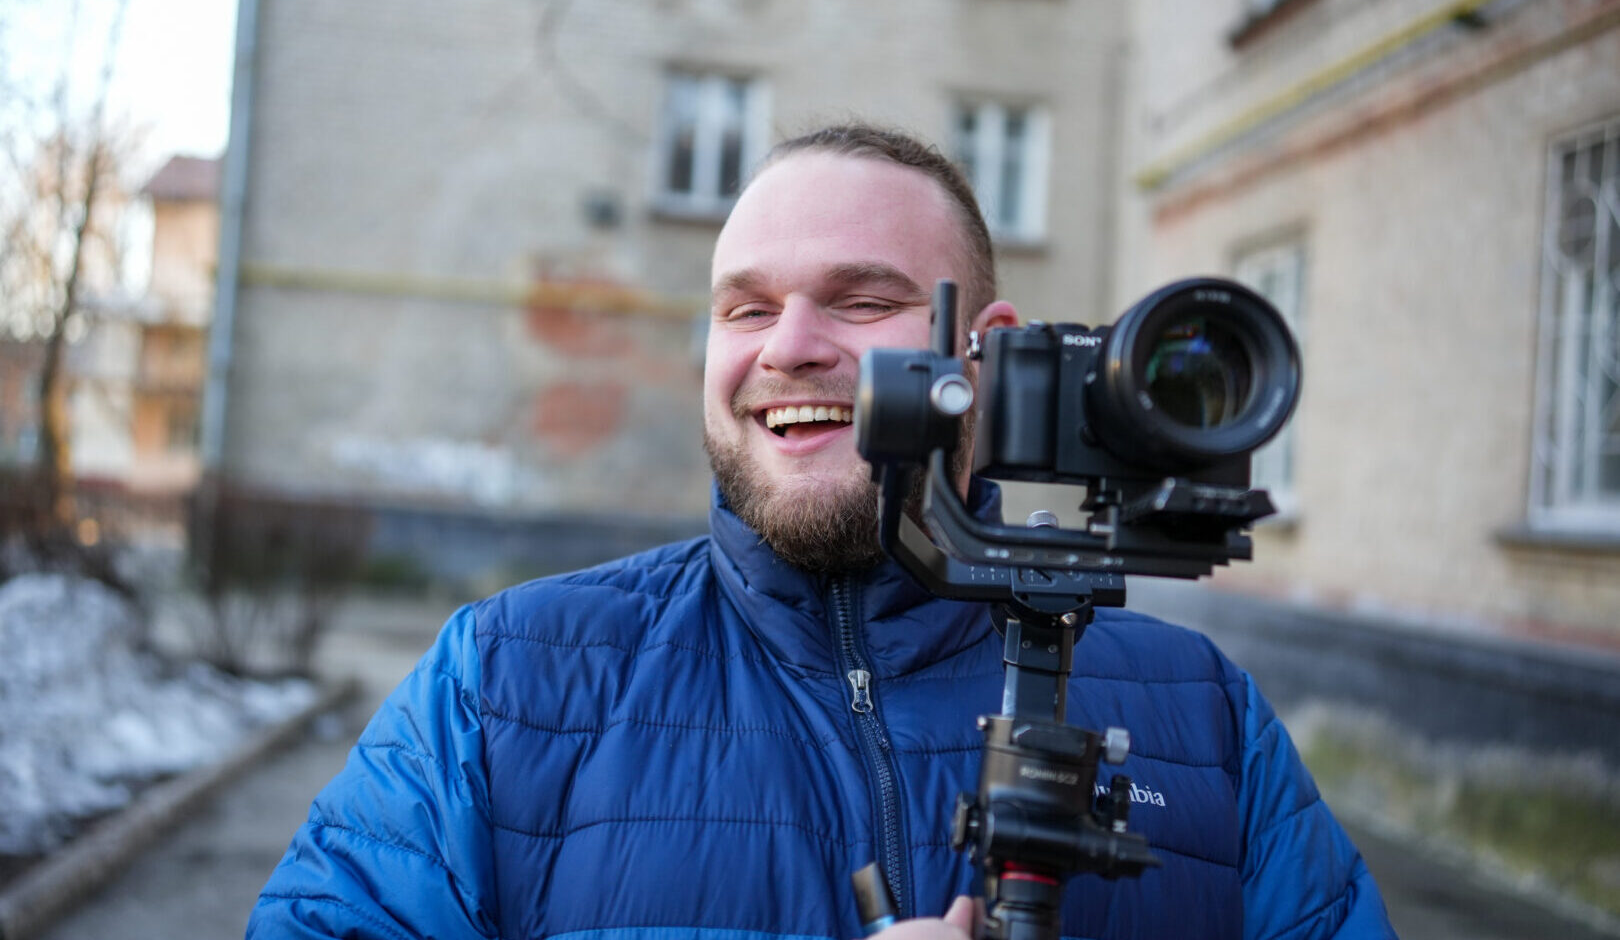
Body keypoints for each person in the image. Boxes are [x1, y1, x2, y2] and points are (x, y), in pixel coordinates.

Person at [247, 124, 1396, 940]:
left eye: (858, 301)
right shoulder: (503, 684)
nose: (788, 346)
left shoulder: (1200, 715)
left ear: (983, 356)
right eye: (745, 307)